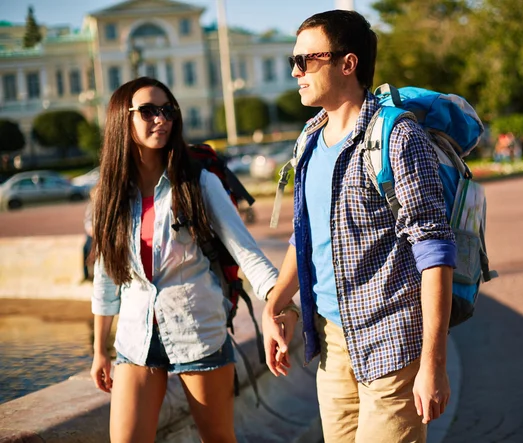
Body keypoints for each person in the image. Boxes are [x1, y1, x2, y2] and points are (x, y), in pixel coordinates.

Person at [262, 10, 456, 443]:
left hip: (391, 340)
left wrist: (434, 364)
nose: (296, 72)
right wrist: (276, 303)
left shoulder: (397, 137)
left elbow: (435, 251)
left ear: (347, 64)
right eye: (293, 61)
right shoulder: (310, 138)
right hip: (332, 343)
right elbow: (305, 233)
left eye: (307, 60)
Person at [89, 76, 279, 443]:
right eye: (148, 111)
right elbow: (106, 278)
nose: (161, 119)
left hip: (197, 332)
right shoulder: (110, 196)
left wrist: (278, 305)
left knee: (218, 439)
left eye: (167, 111)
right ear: (121, 120)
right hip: (135, 339)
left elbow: (247, 252)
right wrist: (100, 351)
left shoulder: (198, 182)